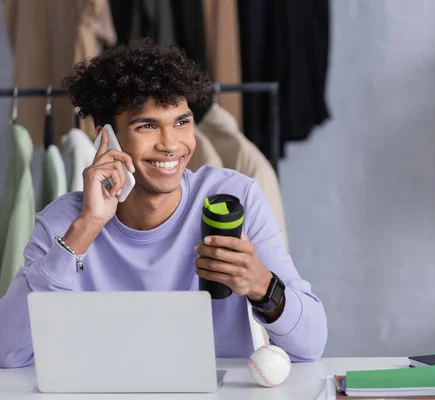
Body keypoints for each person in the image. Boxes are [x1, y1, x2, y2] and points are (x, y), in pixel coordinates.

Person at [0, 38, 327, 368]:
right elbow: (6, 353)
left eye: (182, 122)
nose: (171, 145)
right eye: (147, 126)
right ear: (105, 137)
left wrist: (261, 284)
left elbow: (310, 345)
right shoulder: (65, 222)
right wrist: (87, 227)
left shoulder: (235, 198)